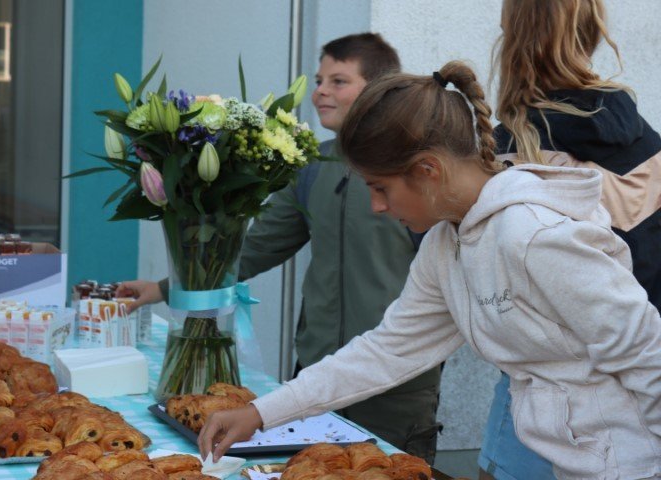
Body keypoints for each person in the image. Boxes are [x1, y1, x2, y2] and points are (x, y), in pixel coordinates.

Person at [197, 61, 661, 480]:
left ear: (428, 170)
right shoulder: (446, 244)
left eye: (380, 189)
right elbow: (388, 350)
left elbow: (648, 357)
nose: (377, 207)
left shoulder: (534, 236)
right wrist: (261, 413)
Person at [118, 33, 443, 462]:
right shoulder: (310, 169)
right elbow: (255, 248)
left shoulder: (416, 176)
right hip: (316, 374)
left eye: (339, 81)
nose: (321, 91)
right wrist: (162, 289)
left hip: (395, 388)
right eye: (319, 79)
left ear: (378, 91)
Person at [479, 1, 661, 478]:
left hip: (539, 408)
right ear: (592, 33)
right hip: (640, 411)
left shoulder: (509, 157)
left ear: (510, 37)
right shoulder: (650, 147)